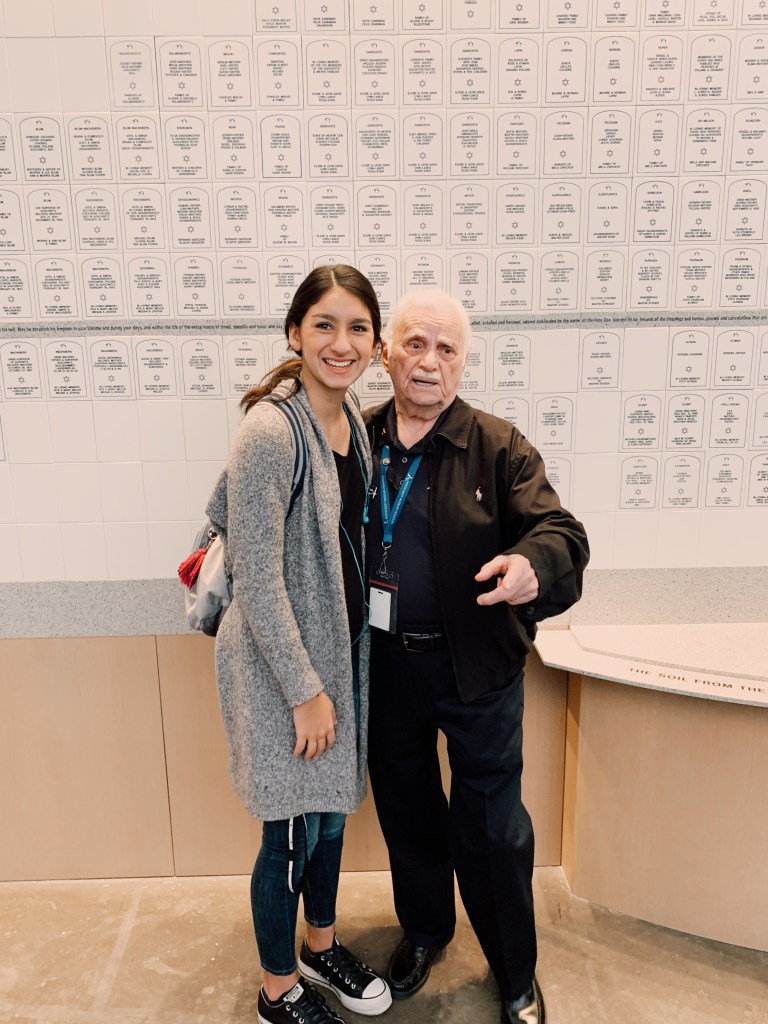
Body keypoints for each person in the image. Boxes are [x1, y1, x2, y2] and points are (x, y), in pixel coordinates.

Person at [362, 290, 590, 1024]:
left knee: (493, 828)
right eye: (415, 343)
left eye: (446, 348)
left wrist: (531, 564)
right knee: (407, 811)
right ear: (386, 352)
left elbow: (563, 533)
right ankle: (427, 931)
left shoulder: (499, 445)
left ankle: (515, 973)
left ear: (463, 362)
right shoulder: (354, 440)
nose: (429, 361)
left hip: (477, 671)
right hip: (384, 665)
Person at [205, 266, 392, 1024]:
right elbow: (255, 574)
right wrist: (305, 693)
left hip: (339, 659)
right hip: (280, 669)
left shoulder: (353, 426)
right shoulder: (270, 433)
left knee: (330, 817)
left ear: (375, 344)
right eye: (324, 325)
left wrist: (331, 680)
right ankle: (277, 989)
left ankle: (320, 945)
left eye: (357, 328)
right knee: (287, 831)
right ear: (294, 333)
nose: (341, 343)